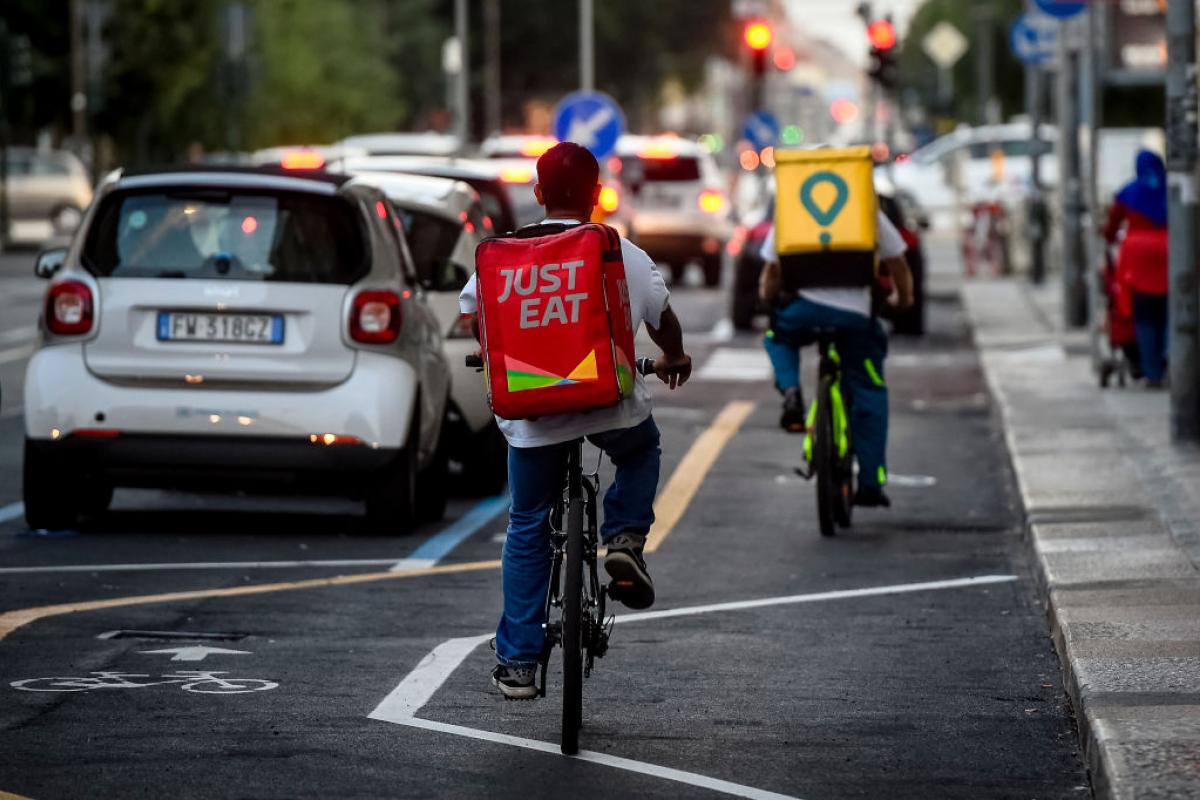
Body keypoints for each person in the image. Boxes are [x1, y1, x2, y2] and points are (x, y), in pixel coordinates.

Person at [458, 142, 693, 700]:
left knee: (527, 524)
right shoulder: (620, 252)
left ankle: (517, 663)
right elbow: (663, 320)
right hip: (607, 402)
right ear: (596, 195)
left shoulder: (505, 254)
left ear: (538, 195)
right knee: (640, 451)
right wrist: (675, 357)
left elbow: (471, 314)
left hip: (533, 413)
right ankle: (624, 539)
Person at [757, 198, 913, 508]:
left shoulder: (793, 209)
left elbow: (772, 270)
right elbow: (898, 263)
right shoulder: (867, 210)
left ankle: (791, 392)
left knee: (778, 337)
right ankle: (870, 484)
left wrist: (768, 297)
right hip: (856, 317)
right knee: (868, 388)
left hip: (804, 312)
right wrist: (903, 299)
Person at [1104, 150, 1169, 388]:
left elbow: (1111, 227)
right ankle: (1170, 360)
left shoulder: (1128, 192)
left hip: (1137, 259)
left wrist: (1108, 238)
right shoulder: (1171, 188)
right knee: (1170, 312)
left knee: (1144, 315)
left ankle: (1151, 372)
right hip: (1171, 252)